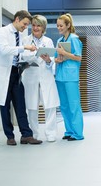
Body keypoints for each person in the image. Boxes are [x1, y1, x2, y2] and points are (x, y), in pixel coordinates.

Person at [0, 10, 42, 145]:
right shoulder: (2, 32)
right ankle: (10, 136)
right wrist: (24, 47)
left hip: (16, 72)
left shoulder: (18, 34)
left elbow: (16, 53)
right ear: (17, 19)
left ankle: (26, 134)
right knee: (5, 105)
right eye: (24, 24)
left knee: (20, 104)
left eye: (27, 25)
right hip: (3, 73)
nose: (25, 27)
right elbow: (4, 50)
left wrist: (26, 59)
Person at [21, 15, 60, 142]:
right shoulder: (25, 40)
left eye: (38, 25)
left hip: (45, 75)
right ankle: (34, 134)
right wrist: (35, 54)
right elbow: (23, 57)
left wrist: (48, 60)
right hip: (30, 76)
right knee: (31, 106)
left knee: (50, 106)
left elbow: (51, 60)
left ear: (43, 27)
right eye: (33, 25)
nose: (35, 28)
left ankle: (51, 133)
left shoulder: (48, 41)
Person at [54, 13, 84, 141]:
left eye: (61, 25)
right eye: (57, 26)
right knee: (64, 106)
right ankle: (69, 131)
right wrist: (57, 59)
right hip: (60, 76)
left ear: (68, 25)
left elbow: (78, 57)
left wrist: (64, 53)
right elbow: (57, 57)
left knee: (74, 105)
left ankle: (78, 133)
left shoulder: (74, 39)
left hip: (71, 77)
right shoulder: (59, 41)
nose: (59, 28)